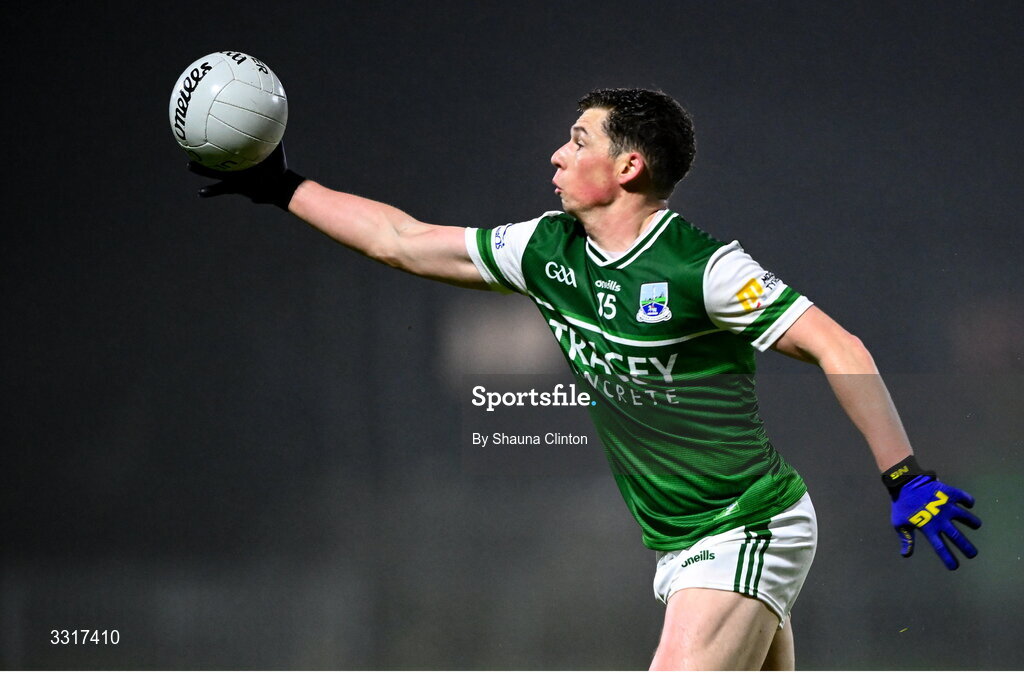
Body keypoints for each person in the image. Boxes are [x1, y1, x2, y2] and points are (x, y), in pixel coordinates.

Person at [188, 87, 981, 670]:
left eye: (578, 140)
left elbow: (841, 346)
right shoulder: (546, 249)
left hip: (746, 525)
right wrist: (282, 187)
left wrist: (904, 475)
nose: (557, 155)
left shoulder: (702, 269)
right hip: (681, 543)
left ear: (627, 166)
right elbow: (400, 239)